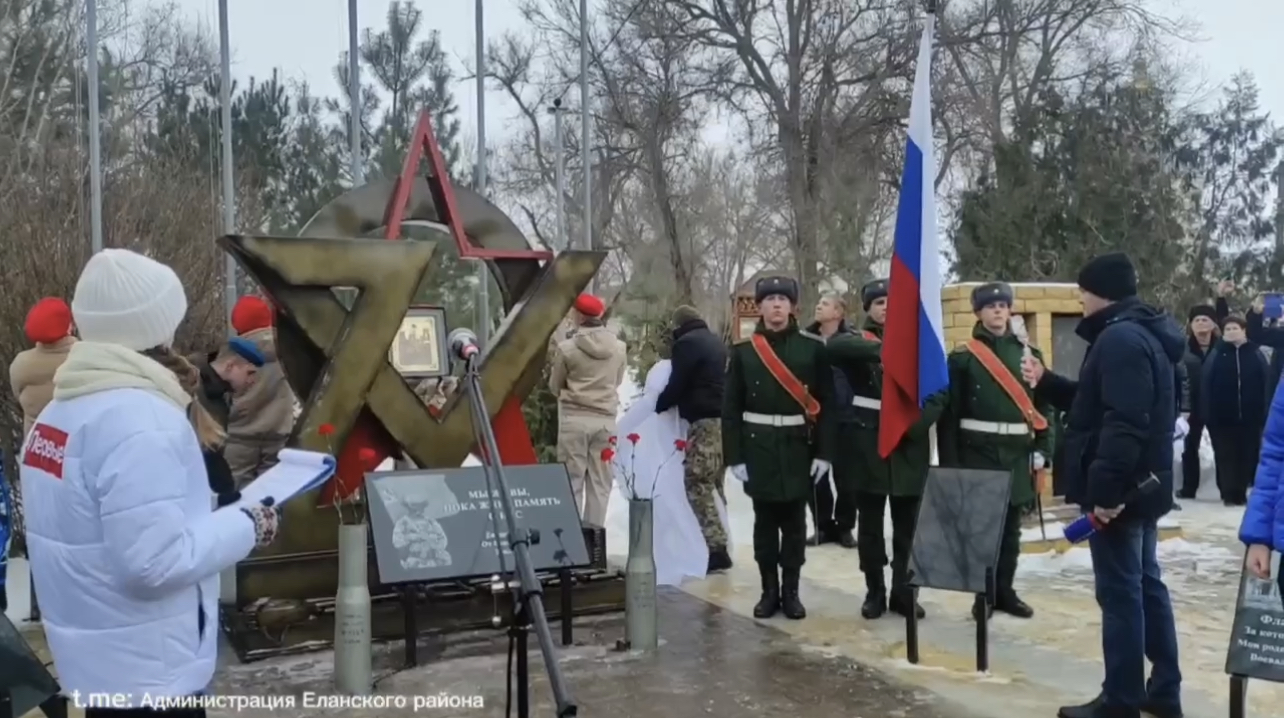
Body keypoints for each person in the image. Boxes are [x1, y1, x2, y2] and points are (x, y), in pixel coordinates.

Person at [19, 248, 281, 717]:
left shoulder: (60, 411)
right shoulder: (141, 421)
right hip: (150, 675)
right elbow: (152, 564)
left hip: (101, 660)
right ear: (154, 325)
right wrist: (248, 526)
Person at [1020, 252, 1183, 718]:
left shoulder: (1120, 340)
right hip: (1145, 487)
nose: (1080, 299)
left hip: (1124, 493)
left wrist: (1107, 495)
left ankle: (1122, 699)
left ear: (1101, 293)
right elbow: (1098, 403)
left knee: (1121, 594)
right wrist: (1048, 382)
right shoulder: (1143, 333)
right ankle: (1163, 690)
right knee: (1146, 585)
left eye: (1083, 292)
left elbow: (1125, 423)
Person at [938, 282, 1052, 621]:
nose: (998, 311)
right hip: (978, 452)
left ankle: (1005, 591)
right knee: (982, 531)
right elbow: (950, 417)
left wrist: (1044, 450)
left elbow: (1045, 410)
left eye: (1003, 305)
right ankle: (982, 595)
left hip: (1018, 452)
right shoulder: (962, 358)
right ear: (978, 313)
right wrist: (952, 466)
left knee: (1012, 531)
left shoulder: (1030, 355)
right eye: (990, 306)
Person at [724, 276, 834, 620]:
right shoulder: (743, 352)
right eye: (769, 299)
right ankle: (768, 590)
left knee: (796, 524)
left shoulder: (813, 348)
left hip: (797, 446)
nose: (775, 305)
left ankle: (791, 591)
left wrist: (824, 453)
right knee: (765, 524)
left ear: (792, 306)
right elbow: (730, 409)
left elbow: (827, 404)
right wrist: (735, 457)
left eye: (782, 299)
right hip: (759, 449)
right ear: (759, 306)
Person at [842, 278, 941, 620]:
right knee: (870, 528)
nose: (886, 307)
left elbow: (939, 392)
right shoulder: (859, 342)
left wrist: (912, 426)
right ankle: (875, 592)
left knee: (908, 529)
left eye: (892, 302)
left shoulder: (922, 345)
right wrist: (887, 350)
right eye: (879, 302)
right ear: (868, 309)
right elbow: (834, 349)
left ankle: (905, 593)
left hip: (909, 447)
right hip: (870, 445)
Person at [614, 347, 730, 585]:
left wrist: (619, 430)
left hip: (661, 442)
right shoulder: (688, 374)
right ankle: (713, 544)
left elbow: (650, 403)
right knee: (694, 491)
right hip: (682, 439)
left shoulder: (662, 370)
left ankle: (688, 547)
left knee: (667, 495)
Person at [653, 305, 732, 571]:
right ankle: (722, 540)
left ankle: (716, 549)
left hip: (705, 422)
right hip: (725, 421)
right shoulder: (715, 342)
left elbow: (678, 383)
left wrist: (660, 404)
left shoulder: (686, 344)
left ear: (678, 326)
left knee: (697, 482)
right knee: (716, 484)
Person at [549, 293, 627, 528]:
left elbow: (555, 386)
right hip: (605, 422)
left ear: (579, 315)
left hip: (574, 420)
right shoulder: (619, 348)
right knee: (600, 485)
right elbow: (618, 380)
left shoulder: (567, 349)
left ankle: (573, 545)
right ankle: (594, 544)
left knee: (572, 482)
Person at [804, 292, 858, 548]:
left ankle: (845, 526)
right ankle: (822, 526)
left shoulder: (852, 341)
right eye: (819, 302)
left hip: (847, 418)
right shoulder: (806, 340)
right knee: (815, 478)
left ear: (838, 312)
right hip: (815, 418)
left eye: (825, 303)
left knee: (847, 479)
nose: (818, 306)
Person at [224, 296, 296, 486]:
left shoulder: (231, 357)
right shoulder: (287, 351)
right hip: (278, 437)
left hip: (239, 441)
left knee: (236, 501)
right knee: (272, 496)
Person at [1200, 315, 1269, 506]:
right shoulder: (1217, 353)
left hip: (1250, 415)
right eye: (1228, 329)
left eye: (1235, 328)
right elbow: (1206, 383)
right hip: (1222, 416)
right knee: (1225, 455)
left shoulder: (1255, 352)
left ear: (1244, 330)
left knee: (1248, 454)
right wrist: (1207, 412)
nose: (1231, 332)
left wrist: (1265, 410)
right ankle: (1228, 492)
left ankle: (1241, 490)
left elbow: (1266, 382)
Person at [192, 338, 265, 507]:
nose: (252, 381)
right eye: (250, 373)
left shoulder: (218, 392)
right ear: (230, 366)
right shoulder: (191, 386)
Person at [10, 297, 78, 437]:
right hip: (75, 443)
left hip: (36, 445)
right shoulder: (83, 358)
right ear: (69, 326)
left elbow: (18, 395)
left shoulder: (21, 364)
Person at [1175, 301, 1219, 498]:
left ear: (1213, 325)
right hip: (1190, 407)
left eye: (1205, 320)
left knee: (1222, 448)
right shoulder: (1182, 349)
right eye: (1197, 320)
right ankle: (1189, 487)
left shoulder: (1222, 348)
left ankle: (1226, 488)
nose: (1201, 324)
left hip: (1216, 405)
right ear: (1190, 325)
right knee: (1189, 447)